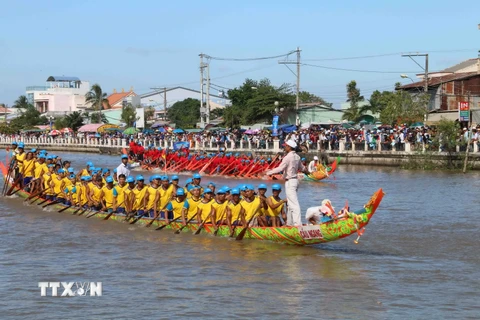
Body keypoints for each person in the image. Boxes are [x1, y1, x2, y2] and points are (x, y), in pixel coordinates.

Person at [266, 140, 307, 226]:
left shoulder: (287, 157)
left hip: (290, 182)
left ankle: (297, 224)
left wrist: (268, 172)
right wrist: (309, 172)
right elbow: (303, 168)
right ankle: (290, 223)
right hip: (295, 181)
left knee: (294, 204)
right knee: (290, 203)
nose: (284, 147)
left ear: (289, 147)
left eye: (286, 146)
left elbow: (280, 169)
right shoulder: (297, 157)